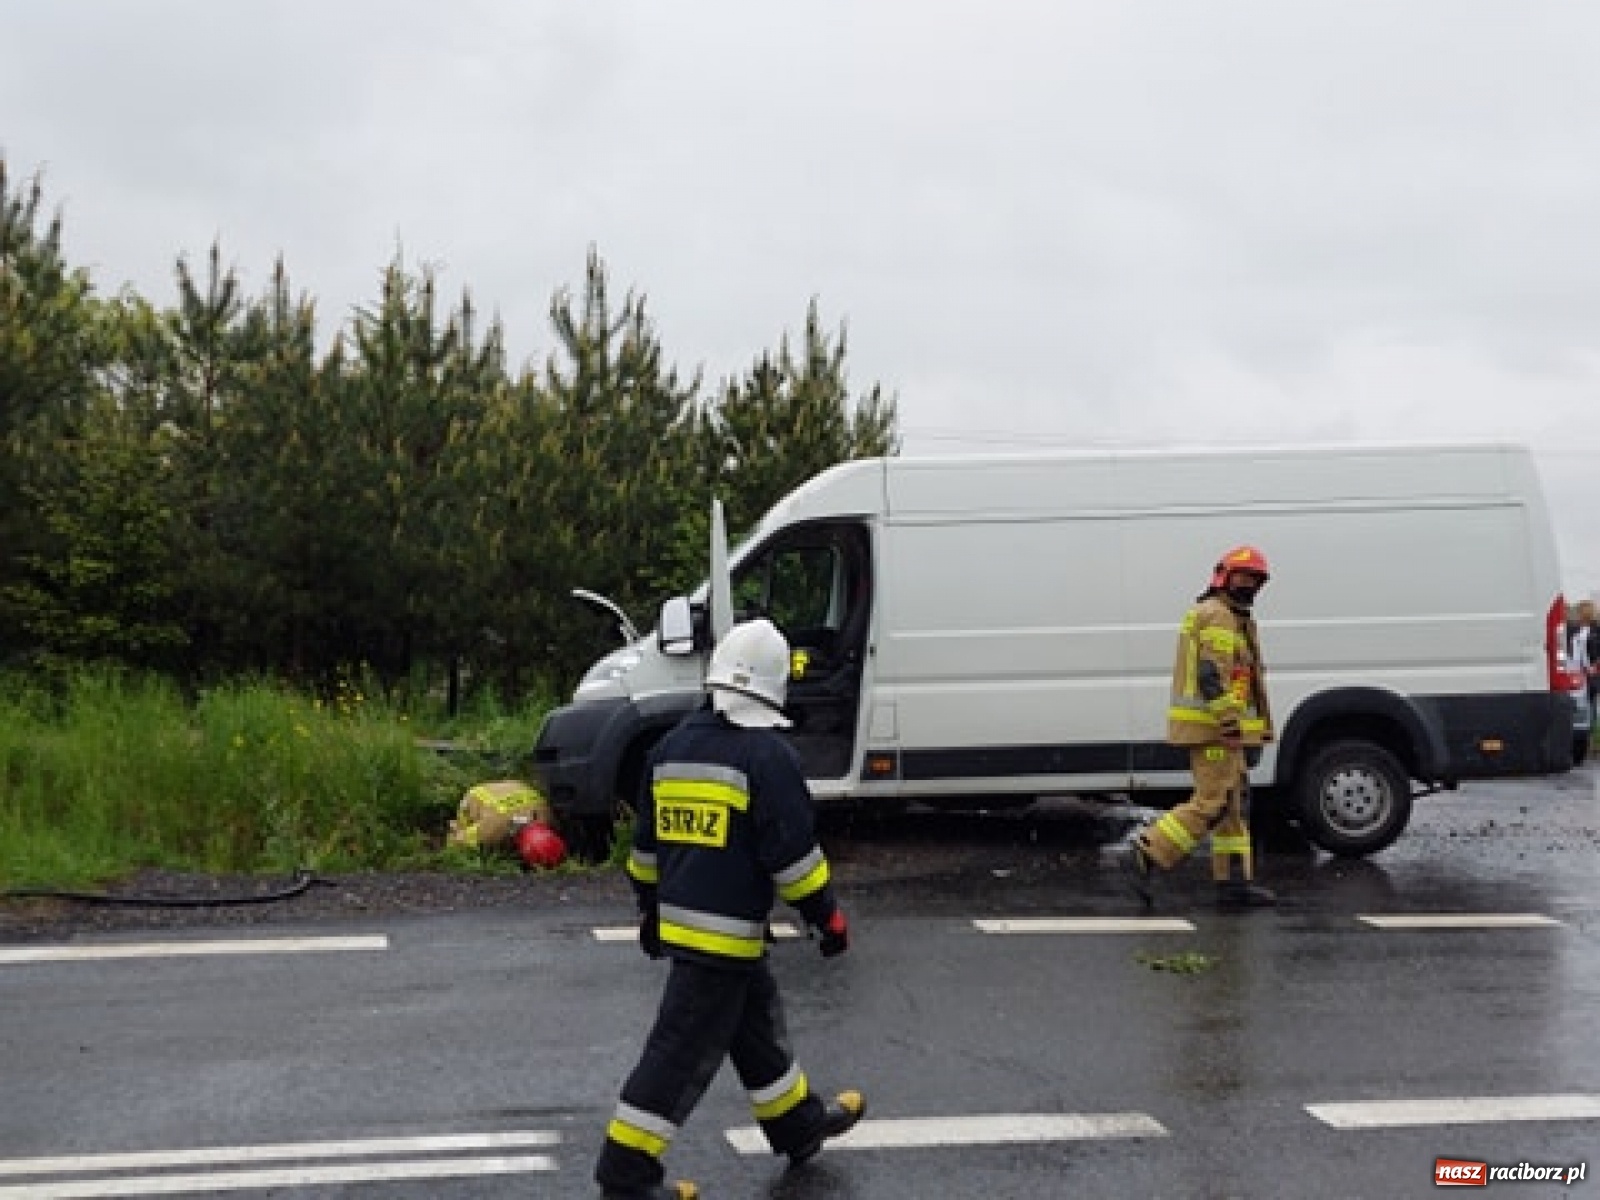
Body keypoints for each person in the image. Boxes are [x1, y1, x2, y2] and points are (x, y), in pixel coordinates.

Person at [594, 618, 865, 1200]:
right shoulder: (768, 757)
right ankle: (624, 1175)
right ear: (773, 690)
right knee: (677, 1055)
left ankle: (798, 1126)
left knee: (755, 1029)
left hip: (693, 934)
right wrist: (826, 917)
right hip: (723, 943)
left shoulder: (668, 750)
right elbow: (793, 859)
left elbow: (645, 854)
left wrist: (650, 913)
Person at [1118, 546, 1277, 910]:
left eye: (1255, 579)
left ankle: (1234, 883)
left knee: (1233, 806)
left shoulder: (1228, 615)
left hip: (1219, 729)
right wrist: (1230, 722)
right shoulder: (1219, 615)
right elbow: (1211, 675)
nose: (1249, 585)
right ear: (1224, 577)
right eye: (1243, 576)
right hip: (1215, 730)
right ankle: (1148, 851)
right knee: (1214, 801)